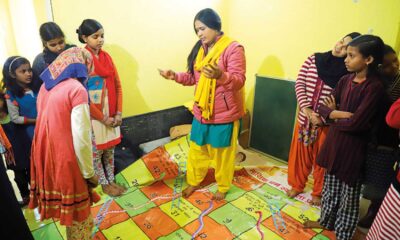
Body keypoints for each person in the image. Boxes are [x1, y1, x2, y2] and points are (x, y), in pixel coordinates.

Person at [303, 35, 385, 240]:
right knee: (330, 189)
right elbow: (322, 107)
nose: (345, 59)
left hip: (353, 150)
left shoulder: (374, 87)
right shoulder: (345, 80)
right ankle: (325, 221)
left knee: (348, 196)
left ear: (368, 60)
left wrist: (333, 117)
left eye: (351, 55)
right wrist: (336, 114)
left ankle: (343, 233)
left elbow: (358, 123)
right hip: (335, 144)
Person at [159, 8, 246, 200]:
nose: (199, 34)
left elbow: (239, 80)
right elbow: (193, 78)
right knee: (197, 151)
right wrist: (175, 76)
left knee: (222, 155)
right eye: (196, 30)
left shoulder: (233, 48)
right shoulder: (200, 49)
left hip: (224, 114)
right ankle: (193, 182)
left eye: (202, 29)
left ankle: (223, 187)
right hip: (201, 112)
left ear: (216, 27)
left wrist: (220, 76)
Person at [29, 47, 99, 240]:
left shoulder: (45, 87)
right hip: (67, 158)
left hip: (44, 156)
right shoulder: (77, 90)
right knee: (81, 219)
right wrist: (88, 173)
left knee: (71, 213)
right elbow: (82, 139)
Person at [287, 32, 361, 205]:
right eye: (341, 42)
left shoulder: (348, 74)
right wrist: (306, 109)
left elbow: (341, 99)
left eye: (346, 48)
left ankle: (318, 192)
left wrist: (321, 117)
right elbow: (300, 83)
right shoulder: (314, 58)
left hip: (325, 124)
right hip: (304, 119)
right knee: (299, 155)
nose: (339, 47)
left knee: (322, 159)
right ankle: (296, 185)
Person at [77, 19, 125, 196]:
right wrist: (103, 118)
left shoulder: (107, 57)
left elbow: (118, 86)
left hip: (112, 114)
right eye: (95, 36)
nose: (100, 40)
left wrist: (118, 113)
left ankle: (111, 180)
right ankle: (104, 183)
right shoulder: (82, 59)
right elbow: (82, 96)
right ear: (84, 38)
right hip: (94, 116)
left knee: (110, 151)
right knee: (97, 153)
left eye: (102, 36)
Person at [359, 44, 400, 228]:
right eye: (388, 64)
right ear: (378, 67)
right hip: (370, 137)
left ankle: (375, 212)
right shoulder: (373, 82)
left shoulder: (397, 83)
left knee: (381, 180)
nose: (395, 66)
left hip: (389, 140)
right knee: (367, 179)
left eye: (396, 60)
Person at [2, 56, 39, 205]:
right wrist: (37, 120)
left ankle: (43, 192)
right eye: (22, 71)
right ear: (12, 74)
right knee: (27, 166)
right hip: (28, 134)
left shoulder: (36, 87)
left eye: (29, 70)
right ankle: (28, 196)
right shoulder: (10, 94)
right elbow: (15, 118)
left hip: (44, 129)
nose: (28, 73)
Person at [366, 97, 400, 240]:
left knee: (381, 185)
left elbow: (393, 118)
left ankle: (373, 211)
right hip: (375, 137)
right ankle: (373, 211)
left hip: (389, 143)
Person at [0, 124, 34, 240]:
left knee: (29, 169)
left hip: (16, 137)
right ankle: (26, 196)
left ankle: (33, 195)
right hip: (9, 141)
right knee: (18, 175)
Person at [0, 92, 31, 206]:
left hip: (23, 148)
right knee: (19, 177)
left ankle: (36, 194)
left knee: (31, 173)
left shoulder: (13, 115)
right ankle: (25, 196)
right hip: (12, 155)